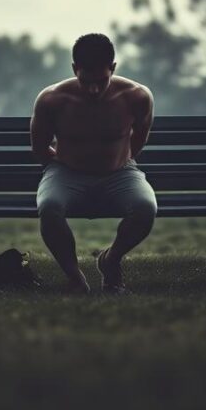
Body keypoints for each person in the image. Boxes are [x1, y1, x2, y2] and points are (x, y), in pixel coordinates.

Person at [30, 33, 157, 294]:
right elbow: (39, 146)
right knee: (50, 207)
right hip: (66, 171)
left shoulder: (137, 97)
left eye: (101, 81)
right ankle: (75, 276)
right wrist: (63, 166)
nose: (94, 89)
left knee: (145, 208)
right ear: (74, 69)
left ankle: (110, 260)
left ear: (113, 68)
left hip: (120, 172)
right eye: (86, 81)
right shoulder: (51, 99)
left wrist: (121, 160)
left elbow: (141, 135)